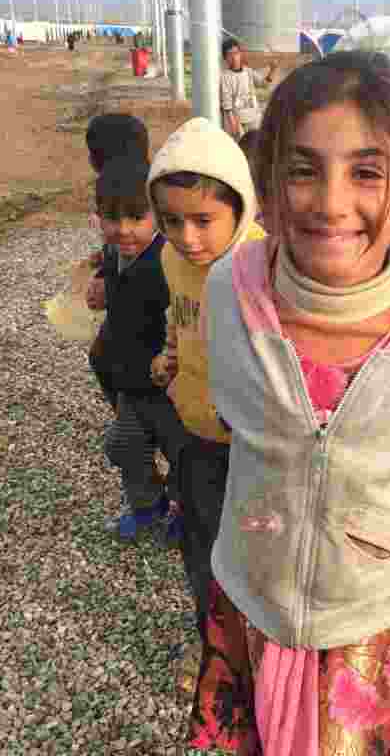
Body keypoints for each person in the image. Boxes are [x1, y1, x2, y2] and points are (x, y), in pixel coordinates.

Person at [187, 50, 390, 755]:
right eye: (301, 169)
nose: (329, 202)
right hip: (252, 593)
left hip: (368, 615)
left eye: (366, 172)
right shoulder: (225, 295)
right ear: (267, 181)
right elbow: (224, 407)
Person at [140, 116, 261, 699]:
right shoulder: (170, 260)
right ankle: (213, 643)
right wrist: (168, 355)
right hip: (194, 432)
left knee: (259, 554)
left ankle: (266, 650)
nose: (187, 237)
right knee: (203, 547)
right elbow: (178, 320)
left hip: (254, 446)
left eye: (203, 221)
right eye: (171, 221)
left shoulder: (260, 264)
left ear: (241, 207)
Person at [91, 158, 171, 540]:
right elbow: (110, 272)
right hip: (130, 382)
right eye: (111, 218)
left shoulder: (168, 262)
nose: (123, 230)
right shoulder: (114, 252)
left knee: (186, 459)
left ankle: (187, 513)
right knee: (124, 445)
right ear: (97, 217)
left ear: (158, 215)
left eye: (136, 218)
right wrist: (100, 281)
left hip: (170, 389)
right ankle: (148, 507)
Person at [83, 113, 152, 412]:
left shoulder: (146, 197)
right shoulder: (116, 189)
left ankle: (131, 415)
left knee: (105, 357)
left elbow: (149, 277)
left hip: (147, 337)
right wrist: (104, 264)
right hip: (126, 315)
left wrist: (110, 287)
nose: (124, 227)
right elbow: (118, 250)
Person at [219, 38, 275, 139]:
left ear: (240, 54)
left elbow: (264, 84)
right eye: (230, 54)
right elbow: (227, 105)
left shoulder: (248, 71)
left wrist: (272, 71)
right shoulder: (225, 77)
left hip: (254, 118)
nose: (234, 57)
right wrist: (233, 125)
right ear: (225, 58)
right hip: (238, 122)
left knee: (257, 146)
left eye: (236, 53)